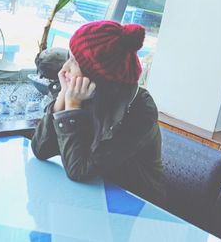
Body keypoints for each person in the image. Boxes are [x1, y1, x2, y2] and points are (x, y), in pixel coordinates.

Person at [31, 20, 165, 204]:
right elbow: (40, 149)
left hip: (135, 208)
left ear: (96, 75)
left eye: (75, 62)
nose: (64, 69)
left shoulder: (139, 109)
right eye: (69, 57)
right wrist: (62, 97)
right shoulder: (89, 94)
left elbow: (78, 170)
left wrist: (72, 106)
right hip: (92, 196)